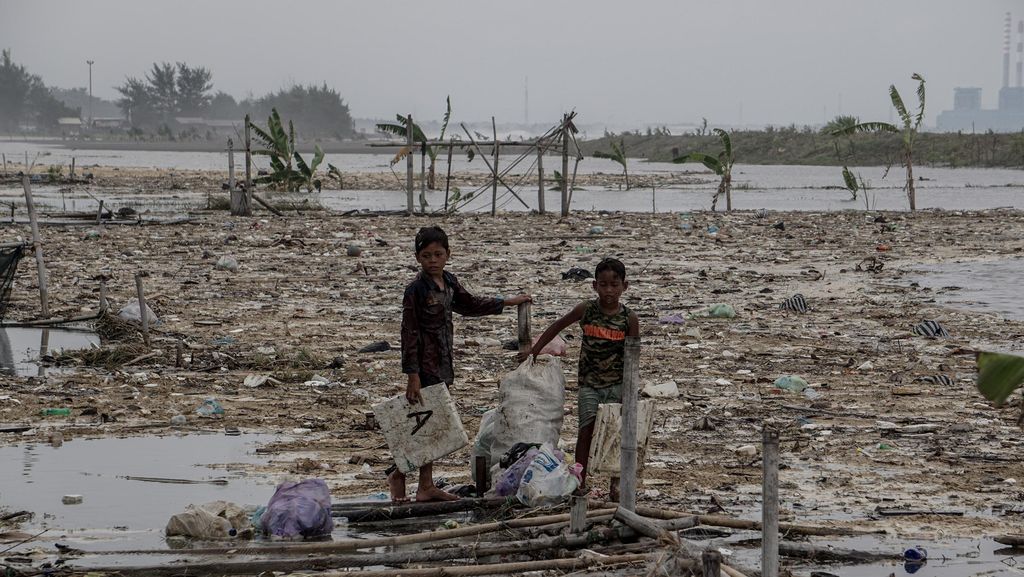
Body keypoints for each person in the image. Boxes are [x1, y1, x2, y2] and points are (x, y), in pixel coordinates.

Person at [390, 225, 531, 502]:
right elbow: (409, 333)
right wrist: (412, 375)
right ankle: (403, 477)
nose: (433, 260)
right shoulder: (416, 290)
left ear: (447, 254)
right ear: (418, 257)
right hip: (424, 366)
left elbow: (471, 304)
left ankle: (422, 484)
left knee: (432, 423)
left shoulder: (450, 283)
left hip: (443, 364)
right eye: (427, 255)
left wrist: (508, 301)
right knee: (424, 424)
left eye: (438, 254)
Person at [518, 257, 638, 491]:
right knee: (586, 430)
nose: (609, 290)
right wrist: (535, 351)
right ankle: (580, 480)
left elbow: (633, 356)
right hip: (590, 384)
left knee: (615, 434)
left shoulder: (629, 319)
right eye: (603, 284)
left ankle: (616, 483)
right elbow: (557, 326)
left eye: (615, 285)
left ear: (625, 286)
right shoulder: (587, 310)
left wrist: (630, 389)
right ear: (595, 286)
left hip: (617, 385)